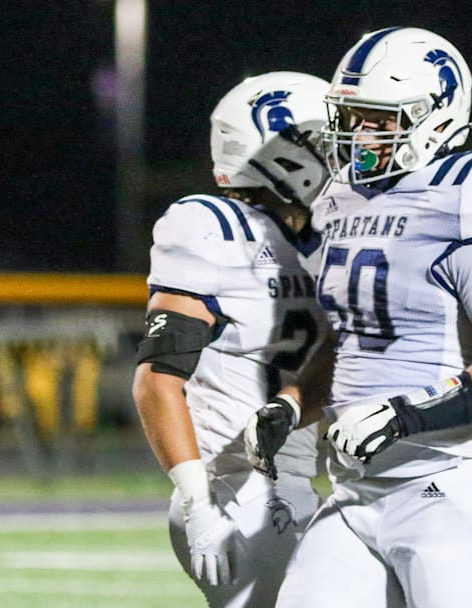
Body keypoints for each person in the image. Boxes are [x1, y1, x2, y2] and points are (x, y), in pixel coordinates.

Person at [246, 26, 472, 608]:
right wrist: (294, 403)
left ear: (434, 117)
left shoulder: (468, 188)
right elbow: (354, 334)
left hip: (447, 486)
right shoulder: (340, 197)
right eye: (351, 115)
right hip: (355, 490)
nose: (355, 132)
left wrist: (404, 414)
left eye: (376, 118)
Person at [131, 71, 334, 608]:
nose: (335, 156)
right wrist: (197, 501)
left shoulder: (324, 237)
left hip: (294, 484)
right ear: (276, 153)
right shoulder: (212, 227)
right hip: (234, 490)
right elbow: (157, 380)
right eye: (321, 143)